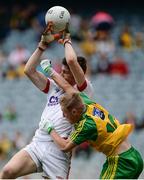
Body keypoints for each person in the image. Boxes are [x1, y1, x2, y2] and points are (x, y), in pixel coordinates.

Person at [0, 23, 93, 179]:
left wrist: (67, 40)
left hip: (58, 150)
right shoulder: (54, 86)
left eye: (66, 73)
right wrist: (42, 46)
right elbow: (28, 70)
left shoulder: (85, 90)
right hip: (39, 141)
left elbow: (71, 60)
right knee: (7, 172)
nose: (62, 75)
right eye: (61, 72)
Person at [39, 61, 143, 179]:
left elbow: (64, 146)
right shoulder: (84, 101)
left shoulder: (86, 124)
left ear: (73, 112)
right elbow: (67, 87)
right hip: (133, 155)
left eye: (65, 113)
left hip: (121, 162)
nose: (63, 116)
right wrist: (50, 71)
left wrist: (49, 128)